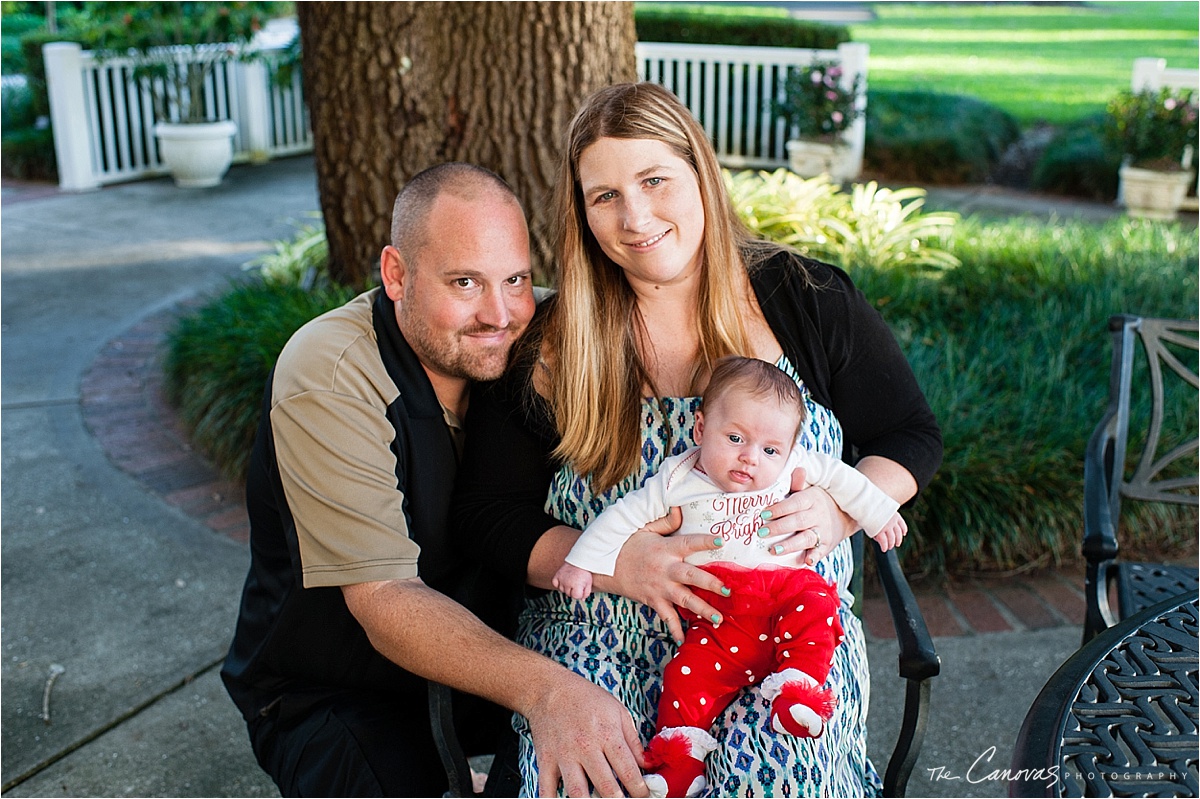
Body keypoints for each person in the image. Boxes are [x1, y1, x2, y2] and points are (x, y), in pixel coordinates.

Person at [453, 82, 943, 797]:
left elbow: (911, 433)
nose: (637, 215)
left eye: (655, 180)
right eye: (606, 196)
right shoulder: (554, 347)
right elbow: (487, 516)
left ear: (701, 176)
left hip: (783, 635)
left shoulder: (806, 299)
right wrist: (622, 561)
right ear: (582, 213)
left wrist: (842, 511)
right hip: (603, 639)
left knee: (770, 778)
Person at [220, 163, 654, 798]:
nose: (498, 314)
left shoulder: (533, 345)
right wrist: (550, 694)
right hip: (339, 682)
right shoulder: (332, 374)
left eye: (515, 280)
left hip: (488, 653)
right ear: (396, 274)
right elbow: (384, 601)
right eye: (464, 282)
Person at [553, 355, 908, 796]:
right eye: (735, 437)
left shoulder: (794, 467)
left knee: (818, 605)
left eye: (769, 449)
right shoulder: (678, 477)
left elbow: (844, 480)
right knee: (685, 677)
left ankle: (798, 690)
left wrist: (877, 514)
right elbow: (621, 517)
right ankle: (680, 764)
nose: (749, 458)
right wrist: (581, 562)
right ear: (700, 429)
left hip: (785, 595)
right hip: (720, 615)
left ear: (788, 449)